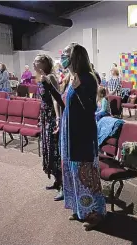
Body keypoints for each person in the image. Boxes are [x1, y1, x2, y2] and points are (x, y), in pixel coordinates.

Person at [47, 43, 106, 231]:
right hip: (69, 133)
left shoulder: (88, 78)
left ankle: (95, 213)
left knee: (86, 175)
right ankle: (80, 209)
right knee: (73, 174)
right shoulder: (72, 77)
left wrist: (79, 88)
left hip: (82, 135)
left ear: (76, 57)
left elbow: (91, 109)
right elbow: (65, 104)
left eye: (66, 54)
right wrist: (50, 88)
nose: (63, 57)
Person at [33, 54, 64, 201]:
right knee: (48, 149)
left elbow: (56, 99)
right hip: (44, 116)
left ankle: (64, 185)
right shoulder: (40, 76)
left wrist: (58, 118)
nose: (34, 63)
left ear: (44, 63)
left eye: (37, 61)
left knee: (55, 150)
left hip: (52, 116)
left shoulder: (51, 77)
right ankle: (57, 180)